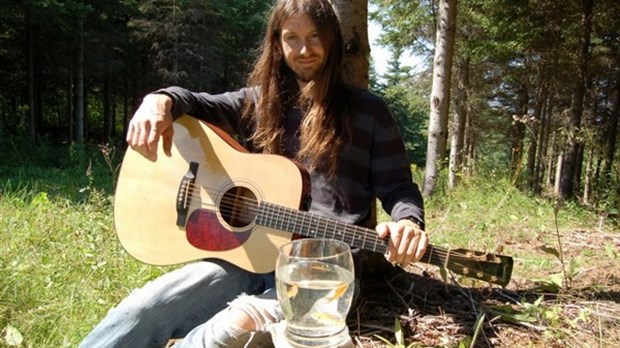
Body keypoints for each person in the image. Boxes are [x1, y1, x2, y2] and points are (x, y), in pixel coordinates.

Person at [79, 0, 428, 347]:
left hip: (320, 270)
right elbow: (197, 104)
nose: (304, 49)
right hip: (246, 256)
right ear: (277, 43)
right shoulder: (262, 102)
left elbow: (399, 188)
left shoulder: (370, 113)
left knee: (229, 331)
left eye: (315, 36)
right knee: (142, 310)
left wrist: (408, 222)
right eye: (292, 37)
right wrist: (159, 100)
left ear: (332, 40)